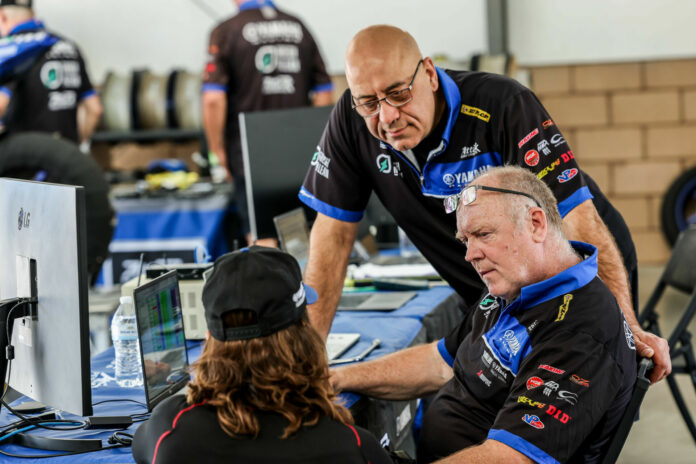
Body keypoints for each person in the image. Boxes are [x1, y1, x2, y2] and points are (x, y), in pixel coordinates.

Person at [298, 24, 669, 383]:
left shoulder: (503, 104)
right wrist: (308, 366)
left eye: (399, 94)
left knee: (586, 395)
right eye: (368, 102)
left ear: (428, 72)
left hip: (581, 266)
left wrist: (625, 322)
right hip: (488, 288)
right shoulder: (350, 120)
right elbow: (332, 239)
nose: (387, 116)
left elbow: (575, 216)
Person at [331, 166, 638, 463]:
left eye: (483, 234)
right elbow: (440, 362)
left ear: (536, 224)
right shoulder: (513, 286)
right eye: (466, 240)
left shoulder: (581, 331)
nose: (470, 255)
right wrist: (336, 377)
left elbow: (512, 458)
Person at [132, 246, 391, 464]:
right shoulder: (353, 447)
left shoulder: (170, 431)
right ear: (304, 337)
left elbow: (139, 445)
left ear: (210, 339)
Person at [202, 0, 333, 242]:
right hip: (300, 153)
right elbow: (325, 91)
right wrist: (316, 143)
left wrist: (216, 151)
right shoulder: (298, 26)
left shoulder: (226, 31)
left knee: (262, 238)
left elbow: (213, 99)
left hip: (250, 154)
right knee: (301, 236)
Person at [0, 0, 102, 144]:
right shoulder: (68, 46)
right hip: (68, 157)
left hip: (29, 158)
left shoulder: (13, 50)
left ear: (2, 16)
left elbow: (1, 103)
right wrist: (76, 146)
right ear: (33, 14)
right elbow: (95, 109)